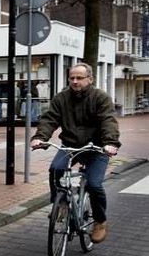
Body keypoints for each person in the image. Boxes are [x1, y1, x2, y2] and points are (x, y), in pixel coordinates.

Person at [30, 63, 120, 243]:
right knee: (56, 169)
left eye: (79, 78)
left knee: (94, 185)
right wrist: (41, 137)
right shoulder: (61, 98)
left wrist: (110, 142)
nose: (75, 81)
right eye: (72, 78)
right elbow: (49, 119)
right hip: (71, 145)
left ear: (90, 79)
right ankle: (61, 205)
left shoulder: (101, 98)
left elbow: (108, 121)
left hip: (97, 148)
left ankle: (100, 221)